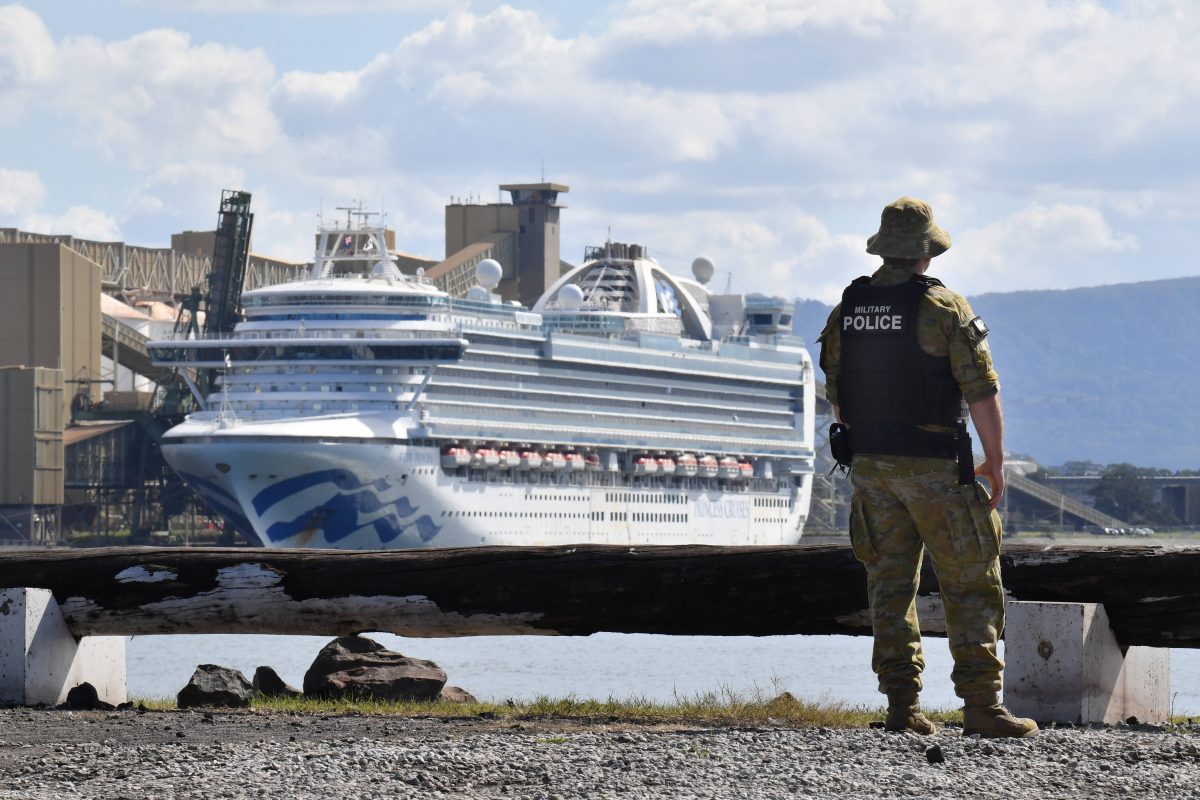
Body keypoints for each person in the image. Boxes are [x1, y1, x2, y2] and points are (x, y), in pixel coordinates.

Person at [817, 196, 1038, 739]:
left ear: (884, 249)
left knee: (889, 584)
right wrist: (995, 462)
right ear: (926, 254)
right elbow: (982, 392)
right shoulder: (943, 309)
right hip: (936, 468)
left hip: (870, 468)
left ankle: (901, 705)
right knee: (971, 582)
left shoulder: (847, 310)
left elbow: (839, 397)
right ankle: (981, 707)